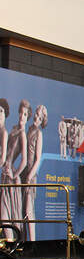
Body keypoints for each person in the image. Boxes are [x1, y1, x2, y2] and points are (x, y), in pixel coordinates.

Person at [1, 100, 30, 239]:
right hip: (5, 175)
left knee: (9, 216)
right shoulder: (13, 129)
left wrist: (14, 175)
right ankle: (10, 247)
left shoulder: (23, 135)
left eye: (25, 114)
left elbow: (24, 161)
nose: (21, 116)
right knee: (5, 216)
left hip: (12, 179)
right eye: (20, 112)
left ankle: (11, 247)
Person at [21, 105, 47, 241]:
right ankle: (24, 239)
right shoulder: (29, 129)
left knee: (28, 210)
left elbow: (38, 159)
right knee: (21, 210)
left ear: (42, 120)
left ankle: (32, 241)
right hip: (24, 172)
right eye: (36, 115)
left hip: (31, 175)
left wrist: (30, 176)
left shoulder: (39, 134)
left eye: (40, 117)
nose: (36, 118)